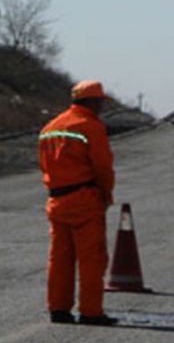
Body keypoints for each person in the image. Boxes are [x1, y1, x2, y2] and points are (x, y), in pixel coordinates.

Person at [38, 80, 118, 326]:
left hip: (56, 199)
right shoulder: (91, 127)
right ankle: (91, 311)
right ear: (92, 102)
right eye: (100, 102)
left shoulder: (50, 128)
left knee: (59, 258)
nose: (102, 107)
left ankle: (59, 309)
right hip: (84, 199)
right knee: (92, 258)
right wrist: (106, 194)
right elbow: (103, 167)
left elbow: (44, 165)